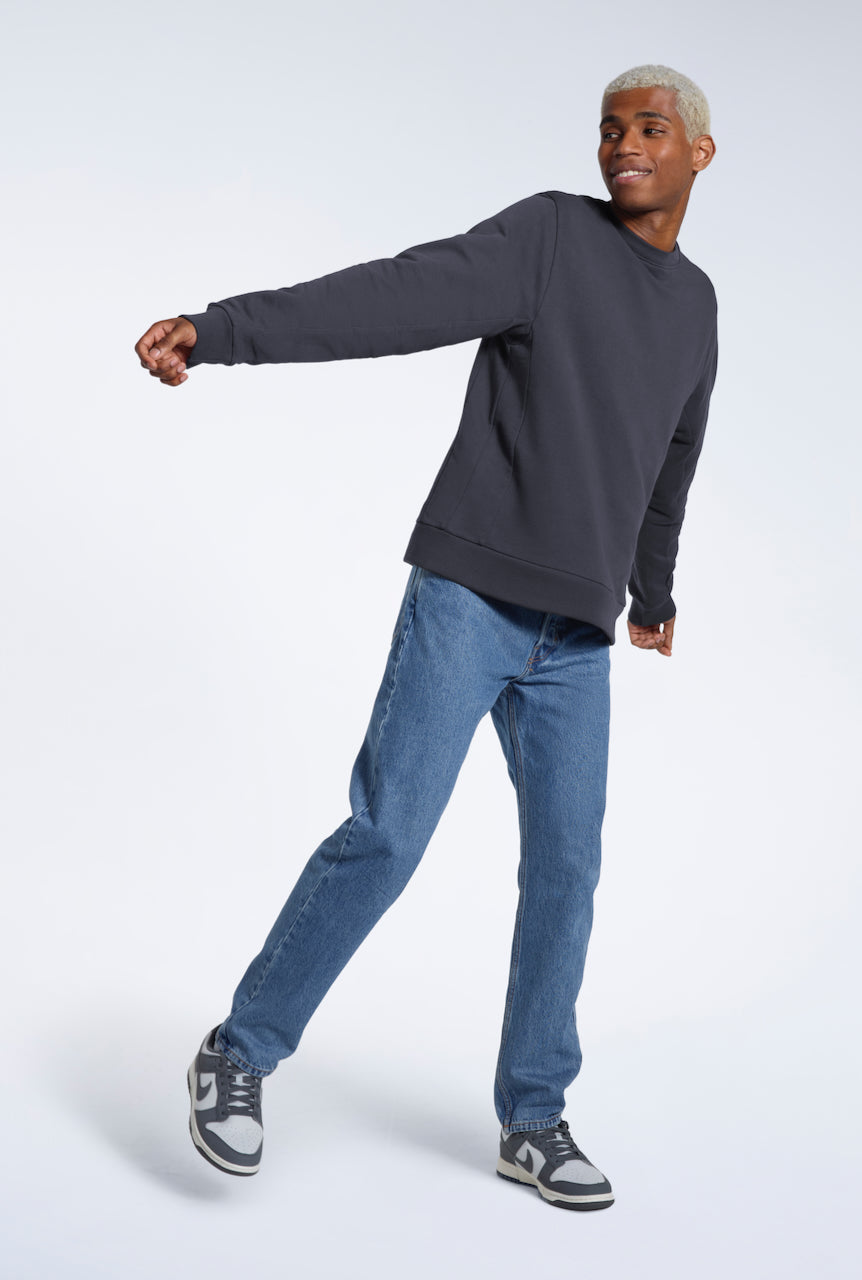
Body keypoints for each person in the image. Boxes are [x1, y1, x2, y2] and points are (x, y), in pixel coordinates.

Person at [136, 63, 717, 1212]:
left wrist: (651, 590)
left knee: (566, 868)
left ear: (701, 152)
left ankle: (533, 1116)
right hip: (469, 593)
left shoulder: (695, 304)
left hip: (579, 636)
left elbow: (672, 456)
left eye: (650, 129)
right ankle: (241, 1049)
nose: (622, 146)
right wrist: (223, 331)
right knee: (390, 831)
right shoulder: (549, 239)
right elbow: (395, 298)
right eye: (607, 129)